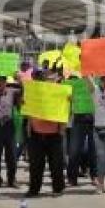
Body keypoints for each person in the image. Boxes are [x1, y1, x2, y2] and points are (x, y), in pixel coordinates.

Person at [25, 70, 67, 198]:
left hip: (54, 134)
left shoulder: (60, 93)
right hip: (36, 133)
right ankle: (34, 189)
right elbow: (29, 111)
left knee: (56, 164)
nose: (50, 80)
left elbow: (65, 111)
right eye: (48, 78)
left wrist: (62, 129)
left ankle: (58, 188)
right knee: (36, 164)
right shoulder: (35, 92)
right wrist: (29, 127)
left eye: (52, 78)